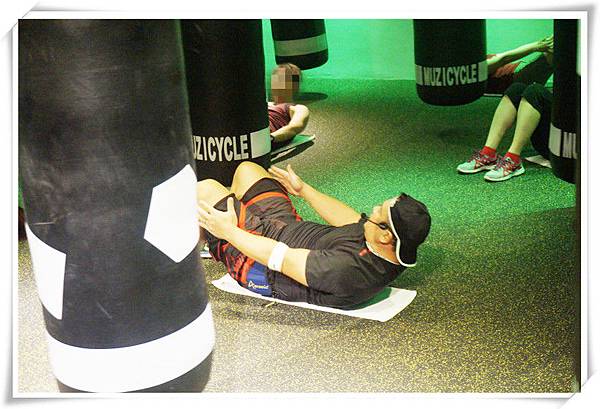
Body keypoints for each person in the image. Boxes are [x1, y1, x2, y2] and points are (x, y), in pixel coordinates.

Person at [196, 161, 431, 309]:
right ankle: (220, 231)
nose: (374, 209)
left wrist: (229, 232)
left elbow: (279, 257)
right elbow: (351, 221)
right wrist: (304, 190)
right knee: (248, 170)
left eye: (378, 212)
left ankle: (204, 244)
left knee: (205, 190)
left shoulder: (347, 270)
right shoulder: (389, 246)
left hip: (261, 264)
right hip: (287, 227)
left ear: (385, 236)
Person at [457, 82, 552, 181]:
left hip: (559, 149)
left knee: (536, 92)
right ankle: (488, 153)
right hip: (546, 141)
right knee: (516, 89)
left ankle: (513, 159)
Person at [486, 35, 554, 95]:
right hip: (513, 78)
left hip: (516, 72)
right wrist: (539, 45)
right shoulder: (480, 69)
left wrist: (541, 44)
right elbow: (504, 58)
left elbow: (503, 58)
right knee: (552, 50)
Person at [269, 63, 310, 149]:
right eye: (276, 80)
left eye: (283, 80)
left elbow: (294, 127)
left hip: (261, 133)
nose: (278, 85)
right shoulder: (264, 103)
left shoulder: (298, 108)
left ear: (294, 85)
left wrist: (270, 138)